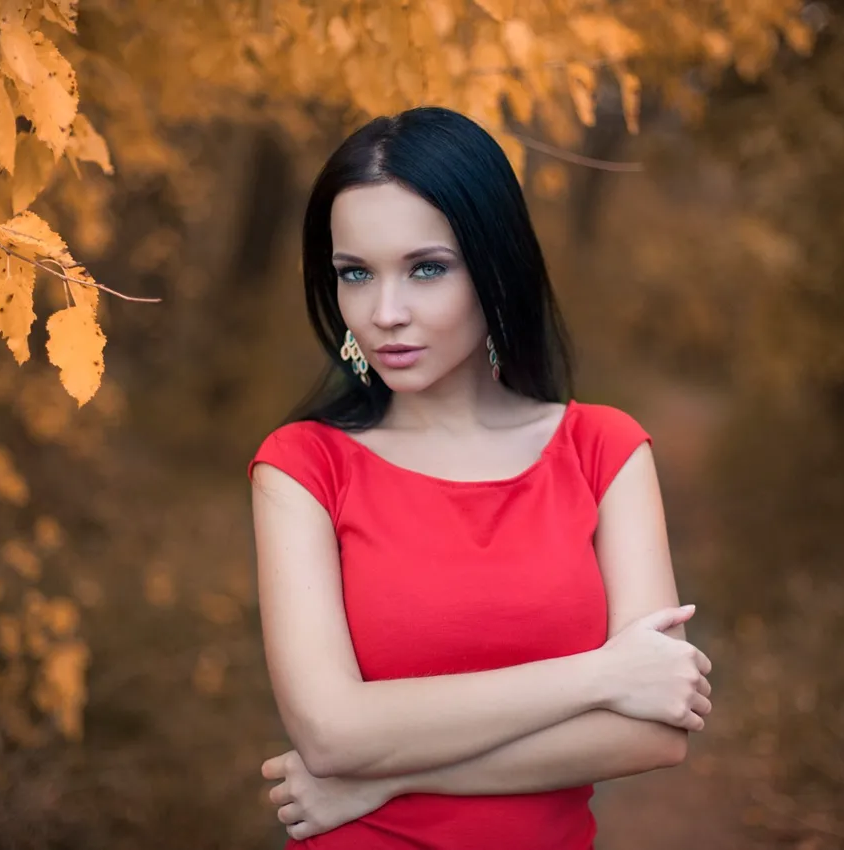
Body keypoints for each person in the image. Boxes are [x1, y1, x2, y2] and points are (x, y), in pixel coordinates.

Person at [247, 106, 712, 849]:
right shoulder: (303, 466)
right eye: (355, 273)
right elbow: (331, 735)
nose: (385, 312)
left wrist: (384, 773)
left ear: (495, 266)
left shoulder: (605, 450)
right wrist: (601, 676)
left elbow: (653, 733)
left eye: (427, 268)